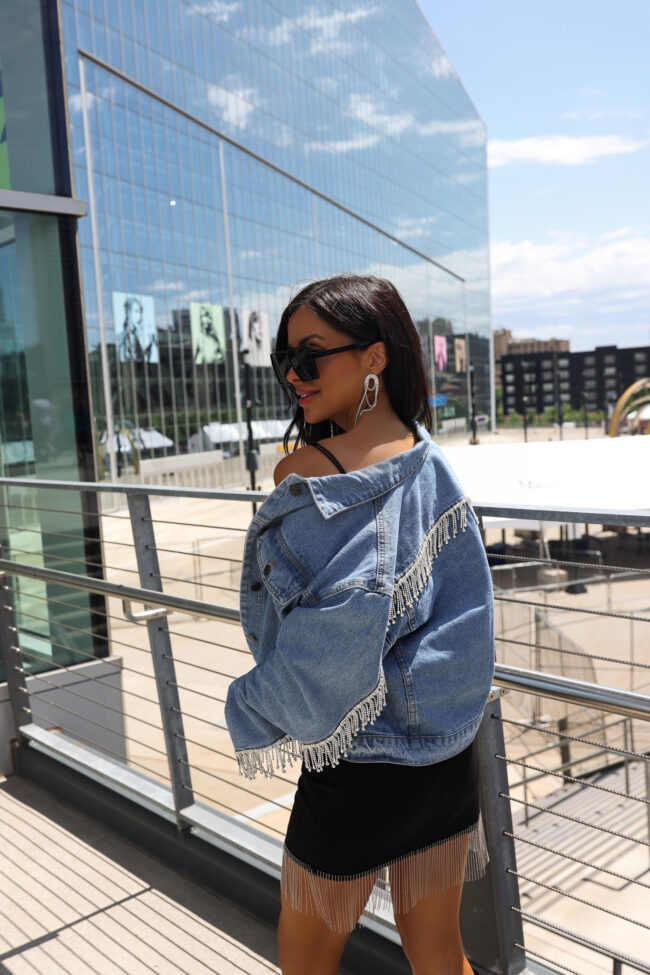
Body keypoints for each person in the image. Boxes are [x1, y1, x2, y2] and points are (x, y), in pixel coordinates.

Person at [225, 274, 494, 975]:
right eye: (287, 359)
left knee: (305, 962)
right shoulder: (432, 462)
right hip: (445, 756)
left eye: (312, 356)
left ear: (374, 357)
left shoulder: (309, 470)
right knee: (440, 953)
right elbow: (466, 618)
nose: (294, 374)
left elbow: (323, 648)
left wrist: (253, 702)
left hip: (357, 770)